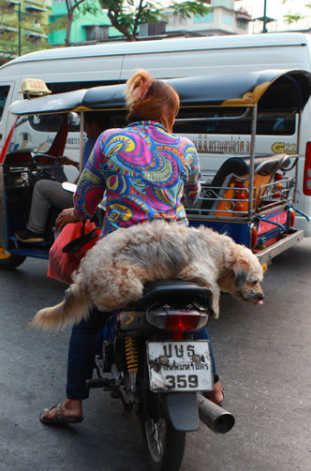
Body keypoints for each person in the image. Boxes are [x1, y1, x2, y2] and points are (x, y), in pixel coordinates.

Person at [39, 69, 223, 425]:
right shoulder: (185, 147)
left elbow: (88, 201)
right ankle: (213, 386)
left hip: (124, 255)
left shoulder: (110, 141)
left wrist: (73, 212)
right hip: (176, 253)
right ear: (170, 112)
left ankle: (73, 403)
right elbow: (193, 194)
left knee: (88, 321)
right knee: (190, 311)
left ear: (138, 106)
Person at [16, 113, 108, 243]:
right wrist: (74, 164)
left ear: (94, 125)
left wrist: (73, 185)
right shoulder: (111, 141)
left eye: (86, 126)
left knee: (41, 186)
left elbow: (86, 178)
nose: (86, 131)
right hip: (102, 199)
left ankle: (34, 230)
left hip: (89, 200)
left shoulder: (93, 142)